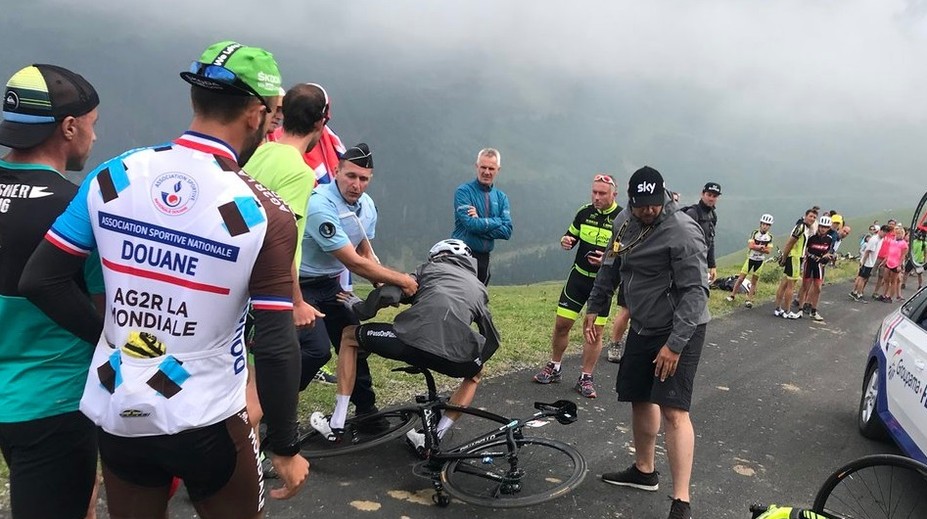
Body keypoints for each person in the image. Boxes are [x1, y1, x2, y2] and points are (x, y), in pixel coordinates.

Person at [19, 41, 310, 518]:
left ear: (196, 99)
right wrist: (285, 445)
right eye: (273, 115)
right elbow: (277, 342)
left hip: (119, 406)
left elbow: (40, 280)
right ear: (256, 114)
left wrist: (116, 341)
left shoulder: (113, 175)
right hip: (208, 416)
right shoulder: (265, 213)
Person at [0, 64, 101, 519]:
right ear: (69, 126)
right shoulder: (76, 210)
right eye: (93, 124)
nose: (95, 137)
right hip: (52, 400)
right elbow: (105, 311)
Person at [583, 166, 709, 519]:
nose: (649, 210)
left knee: (673, 409)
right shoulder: (624, 221)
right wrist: (595, 306)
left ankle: (681, 501)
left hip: (680, 327)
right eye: (641, 205)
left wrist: (675, 344)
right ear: (630, 199)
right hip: (642, 324)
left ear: (663, 196)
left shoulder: (683, 231)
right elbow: (610, 265)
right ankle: (644, 471)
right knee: (639, 395)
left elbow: (696, 292)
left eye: (654, 204)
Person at [309, 239, 500, 450]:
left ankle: (336, 422)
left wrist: (359, 307)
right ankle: (435, 436)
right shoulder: (479, 289)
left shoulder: (428, 269)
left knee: (348, 336)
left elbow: (390, 294)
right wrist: (475, 361)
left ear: (437, 256)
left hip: (407, 342)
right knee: (474, 375)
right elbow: (492, 338)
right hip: (454, 358)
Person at [297, 142, 418, 421]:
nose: (356, 185)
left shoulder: (367, 206)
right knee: (316, 351)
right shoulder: (319, 204)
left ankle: (366, 412)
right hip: (301, 286)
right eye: (350, 176)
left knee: (355, 341)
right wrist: (402, 279)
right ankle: (273, 404)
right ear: (336, 171)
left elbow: (364, 249)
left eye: (363, 179)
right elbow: (352, 261)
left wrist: (380, 283)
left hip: (330, 284)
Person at [532, 174, 621, 398]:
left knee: (593, 332)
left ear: (614, 195)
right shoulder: (584, 212)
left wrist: (606, 259)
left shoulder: (623, 218)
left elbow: (628, 253)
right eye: (594, 192)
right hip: (578, 278)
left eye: (602, 193)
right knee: (562, 325)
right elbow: (571, 235)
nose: (597, 197)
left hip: (602, 284)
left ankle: (586, 378)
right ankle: (554, 366)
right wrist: (566, 241)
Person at [452, 147, 513, 285]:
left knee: (480, 296)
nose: (486, 172)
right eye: (483, 167)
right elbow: (470, 225)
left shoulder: (501, 197)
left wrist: (480, 222)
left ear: (498, 170)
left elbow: (507, 231)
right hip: (462, 256)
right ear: (476, 166)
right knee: (461, 296)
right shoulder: (463, 192)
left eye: (491, 168)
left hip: (484, 259)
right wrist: (497, 221)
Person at [774, 208, 817, 319]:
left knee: (784, 283)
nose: (812, 219)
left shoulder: (805, 227)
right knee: (791, 285)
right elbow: (790, 242)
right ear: (805, 216)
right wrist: (784, 257)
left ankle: (778, 308)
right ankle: (787, 311)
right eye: (810, 216)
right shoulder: (801, 227)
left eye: (814, 217)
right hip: (795, 258)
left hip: (794, 257)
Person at [726, 214, 774, 308]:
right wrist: (761, 247)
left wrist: (757, 247)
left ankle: (749, 299)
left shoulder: (770, 237)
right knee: (740, 278)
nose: (765, 226)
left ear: (770, 226)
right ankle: (732, 295)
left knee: (754, 281)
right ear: (760, 224)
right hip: (750, 259)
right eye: (764, 224)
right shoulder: (755, 233)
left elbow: (768, 251)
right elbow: (750, 246)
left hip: (760, 261)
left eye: (767, 225)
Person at [797, 216, 835, 321]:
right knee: (805, 286)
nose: (823, 229)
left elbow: (830, 251)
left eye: (825, 227)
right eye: (821, 226)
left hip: (819, 265)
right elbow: (805, 250)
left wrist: (826, 256)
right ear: (819, 226)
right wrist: (811, 256)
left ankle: (813, 311)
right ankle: (800, 309)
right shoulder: (812, 237)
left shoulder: (829, 239)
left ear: (828, 228)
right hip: (809, 263)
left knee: (818, 288)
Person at [681, 182, 720, 284]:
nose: (711, 198)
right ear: (702, 194)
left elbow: (711, 240)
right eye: (709, 195)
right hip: (687, 264)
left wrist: (712, 265)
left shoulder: (713, 215)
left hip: (701, 262)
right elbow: (681, 241)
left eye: (714, 196)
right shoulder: (692, 213)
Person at [850, 224, 887, 300]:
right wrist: (863, 262)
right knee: (863, 278)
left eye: (886, 233)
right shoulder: (874, 240)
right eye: (884, 232)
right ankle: (858, 293)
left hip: (871, 261)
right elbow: (867, 251)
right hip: (868, 262)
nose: (885, 234)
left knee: (861, 277)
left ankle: (854, 291)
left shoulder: (880, 239)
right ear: (880, 231)